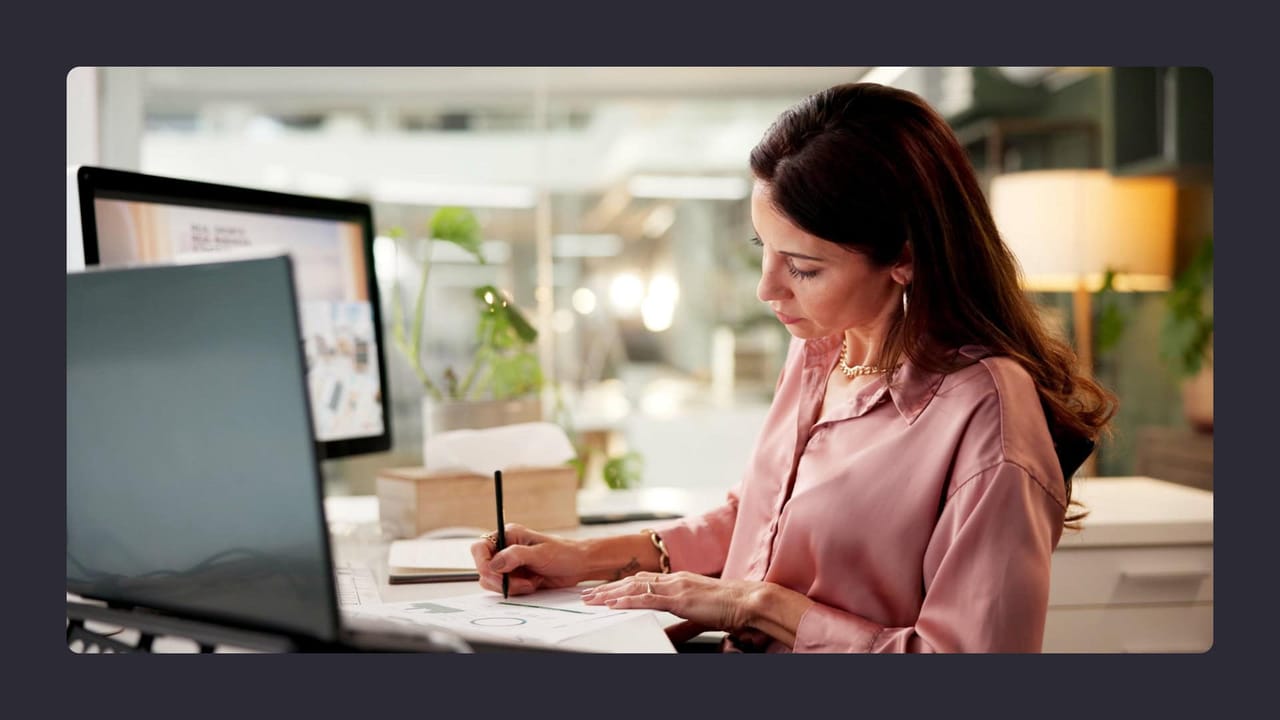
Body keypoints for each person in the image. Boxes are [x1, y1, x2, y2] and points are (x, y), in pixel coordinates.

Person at [470, 82, 1116, 653]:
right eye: (764, 250)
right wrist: (584, 558)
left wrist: (758, 607)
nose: (768, 289)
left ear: (906, 257)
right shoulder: (819, 350)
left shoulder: (986, 416)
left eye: (804, 267)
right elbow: (762, 518)